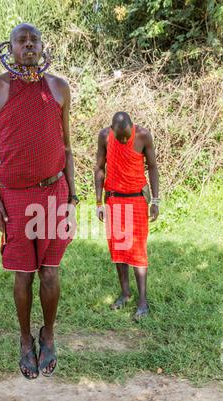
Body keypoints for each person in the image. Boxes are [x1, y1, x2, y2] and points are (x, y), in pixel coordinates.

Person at [0, 23, 77, 379]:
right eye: (22, 40)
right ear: (10, 47)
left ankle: (48, 334)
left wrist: (73, 196)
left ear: (41, 45)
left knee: (50, 273)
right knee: (23, 275)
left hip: (54, 191)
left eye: (34, 40)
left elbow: (67, 147)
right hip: (16, 196)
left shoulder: (59, 88)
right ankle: (24, 340)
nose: (29, 45)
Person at [94, 112, 160, 321]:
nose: (123, 141)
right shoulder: (104, 136)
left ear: (132, 127)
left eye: (126, 136)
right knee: (119, 249)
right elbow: (99, 168)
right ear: (112, 130)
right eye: (119, 137)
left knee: (138, 251)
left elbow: (153, 167)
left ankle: (143, 301)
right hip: (113, 200)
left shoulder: (143, 135)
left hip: (137, 200)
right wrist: (98, 202)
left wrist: (155, 200)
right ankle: (125, 293)